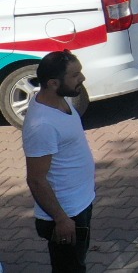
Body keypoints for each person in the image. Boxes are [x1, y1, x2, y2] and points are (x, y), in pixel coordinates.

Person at [22, 50, 95, 273]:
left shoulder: (60, 101)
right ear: (53, 83)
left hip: (79, 204)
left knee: (76, 264)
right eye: (75, 75)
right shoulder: (42, 125)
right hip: (65, 214)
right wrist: (61, 219)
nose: (82, 78)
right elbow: (36, 180)